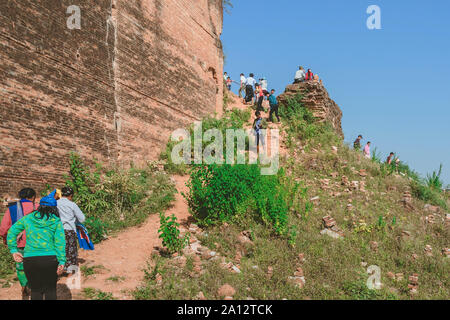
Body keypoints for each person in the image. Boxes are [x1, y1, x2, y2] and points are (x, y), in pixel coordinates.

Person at [7, 190, 66, 300]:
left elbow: (11, 232)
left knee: (35, 290)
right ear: (54, 209)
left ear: (40, 206)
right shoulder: (56, 221)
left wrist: (14, 250)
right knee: (50, 290)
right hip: (50, 259)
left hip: (30, 260)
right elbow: (60, 243)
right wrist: (62, 261)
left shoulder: (28, 218)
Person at [0, 188, 37, 298]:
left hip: (19, 242)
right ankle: (32, 284)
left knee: (21, 265)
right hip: (35, 243)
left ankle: (23, 285)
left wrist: (5, 239)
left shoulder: (12, 208)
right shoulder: (38, 208)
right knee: (34, 264)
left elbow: (3, 228)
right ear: (33, 197)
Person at [57, 186, 85, 272]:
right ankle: (70, 270)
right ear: (71, 195)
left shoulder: (56, 203)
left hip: (58, 230)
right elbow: (82, 219)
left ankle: (59, 267)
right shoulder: (72, 204)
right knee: (70, 250)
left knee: (59, 249)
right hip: (69, 230)